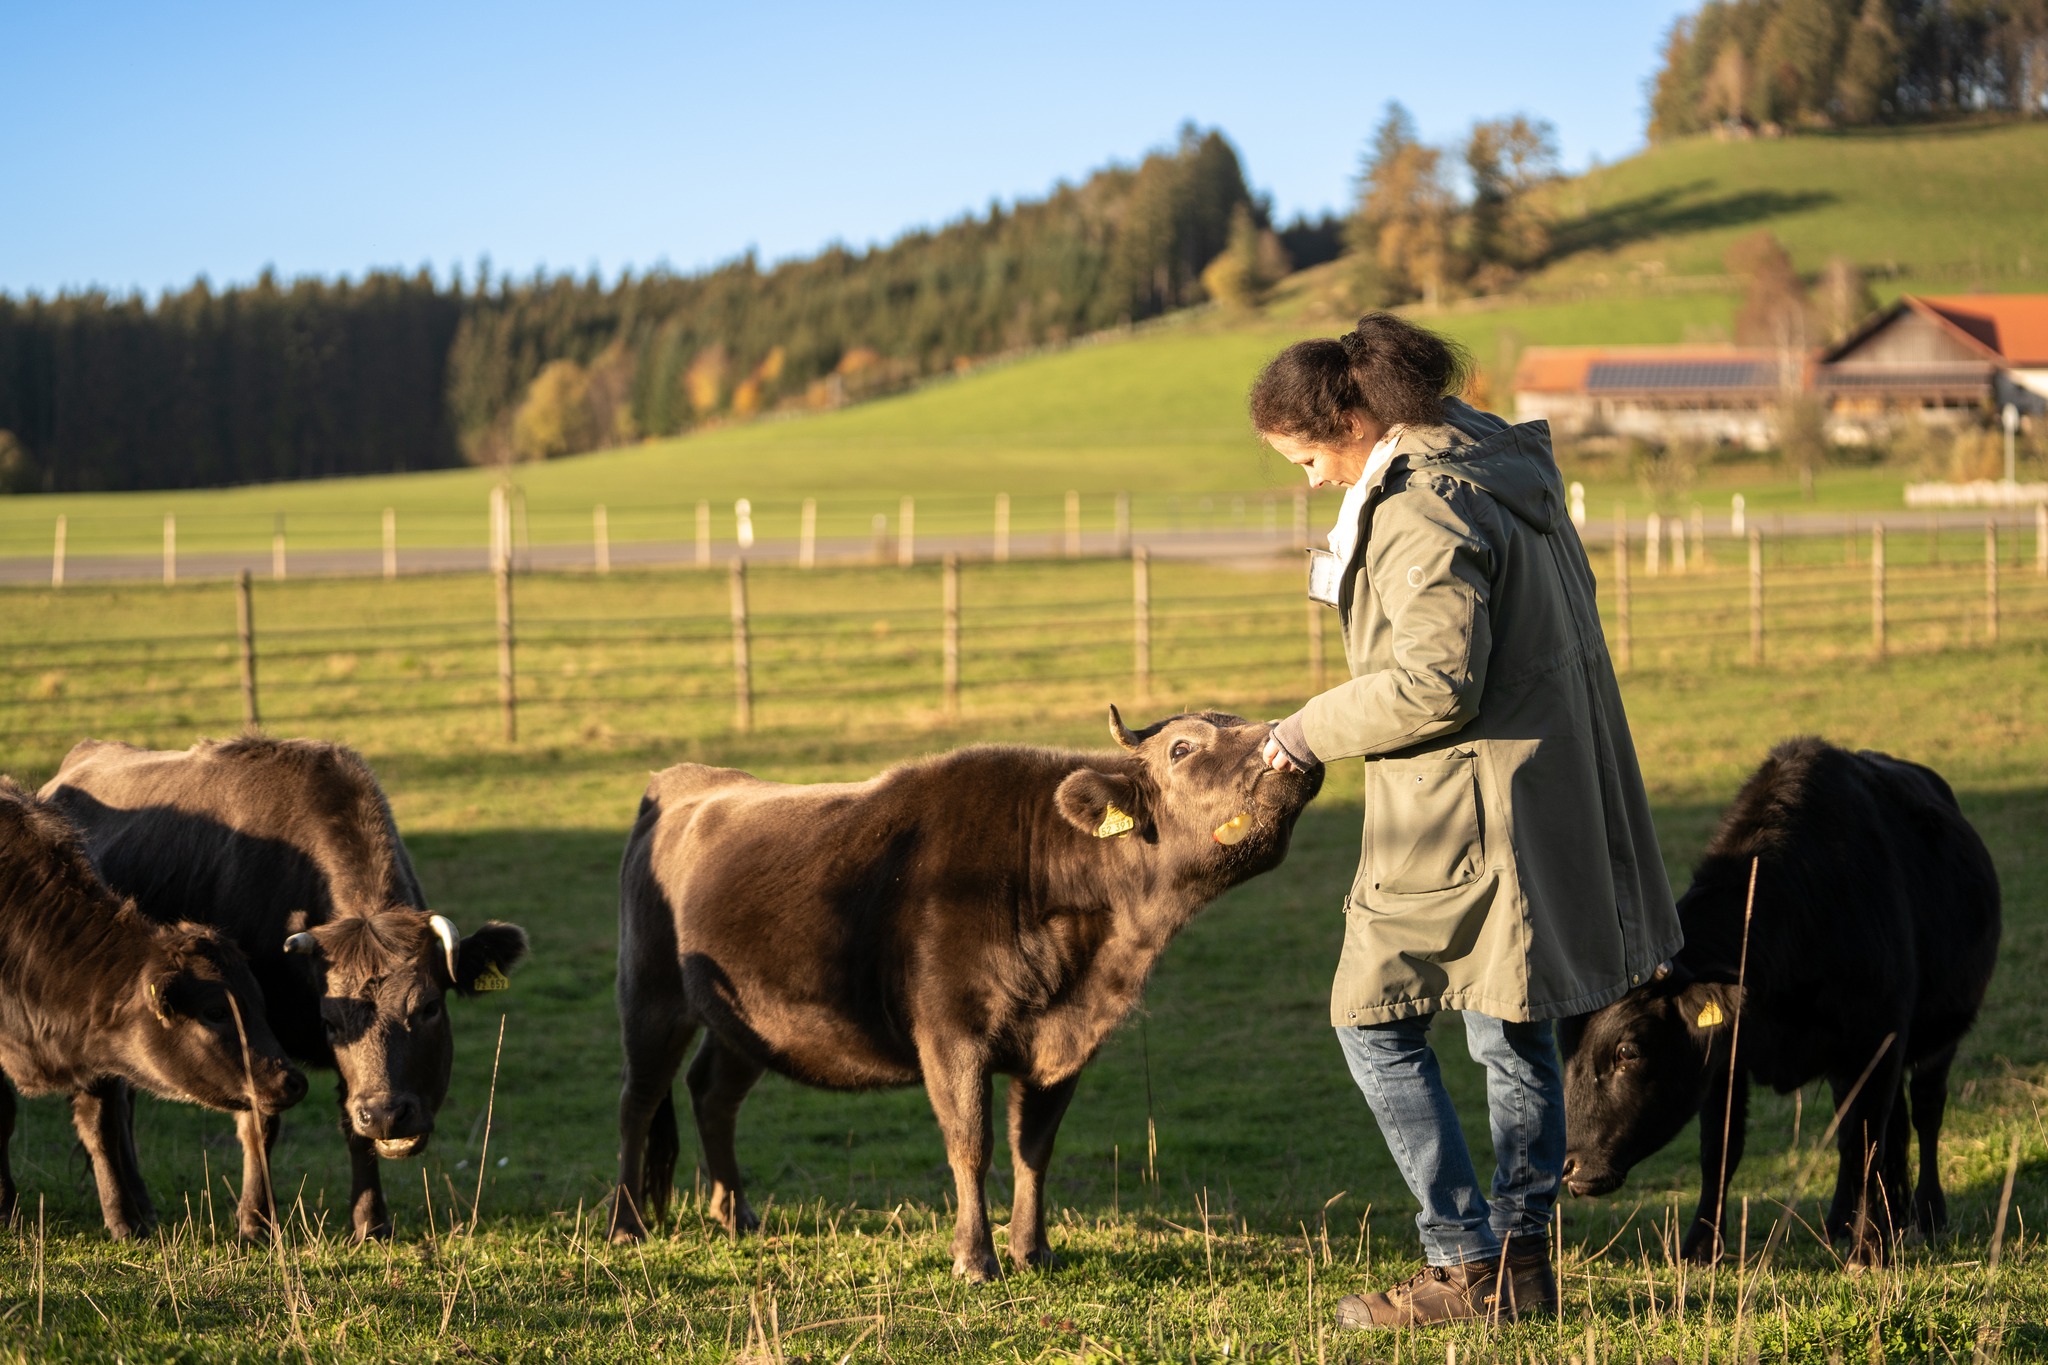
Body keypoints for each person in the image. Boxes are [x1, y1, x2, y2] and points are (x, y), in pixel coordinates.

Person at [1251, 313, 1680, 1330]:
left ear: (1354, 418)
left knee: (1371, 1023)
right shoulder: (1492, 458)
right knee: (1507, 1020)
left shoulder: (1421, 508)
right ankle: (1521, 1265)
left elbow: (1435, 682)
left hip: (1462, 812)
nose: (1309, 481)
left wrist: (1305, 729)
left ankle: (1462, 1262)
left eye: (1308, 458)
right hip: (1537, 792)